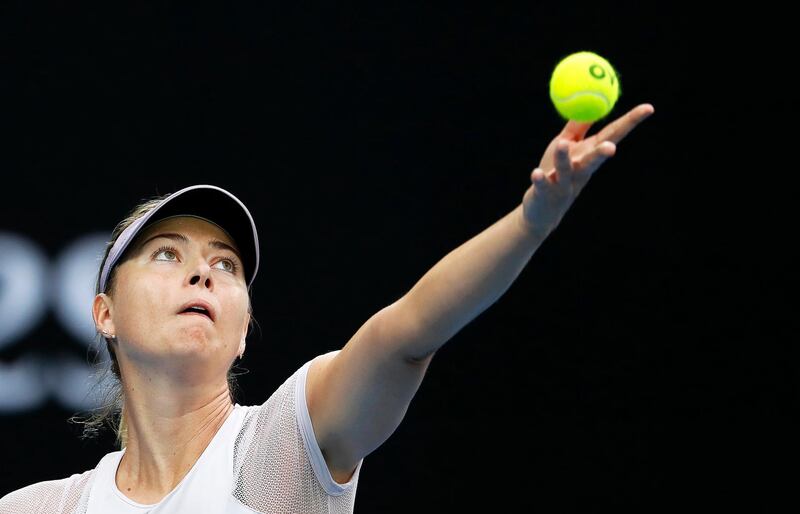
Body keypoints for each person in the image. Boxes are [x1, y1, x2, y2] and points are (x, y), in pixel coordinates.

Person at [0, 104, 654, 514]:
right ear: (104, 315)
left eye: (225, 265)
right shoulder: (43, 509)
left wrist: (529, 224)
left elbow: (408, 334)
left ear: (243, 337)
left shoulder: (280, 449)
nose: (203, 268)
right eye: (166, 254)